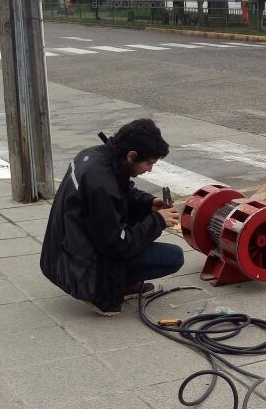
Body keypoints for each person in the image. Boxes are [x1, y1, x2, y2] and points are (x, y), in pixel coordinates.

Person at [40, 119, 184, 317]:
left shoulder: (96, 156)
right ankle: (102, 291)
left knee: (143, 217)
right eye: (149, 163)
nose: (150, 170)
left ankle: (115, 281)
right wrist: (158, 221)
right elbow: (117, 244)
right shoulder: (101, 184)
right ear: (132, 155)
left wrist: (149, 203)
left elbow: (121, 191)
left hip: (63, 252)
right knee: (173, 257)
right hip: (80, 268)